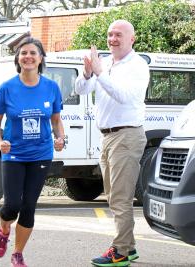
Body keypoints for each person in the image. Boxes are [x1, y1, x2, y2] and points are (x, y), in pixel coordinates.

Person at [75, 20, 149, 267]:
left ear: (132, 39)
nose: (112, 39)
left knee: (120, 197)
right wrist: (87, 73)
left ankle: (121, 251)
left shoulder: (137, 66)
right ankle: (129, 247)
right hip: (108, 137)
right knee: (114, 195)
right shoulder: (105, 63)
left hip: (126, 136)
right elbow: (81, 90)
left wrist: (99, 73)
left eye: (118, 34)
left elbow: (123, 96)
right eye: (110, 34)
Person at [0, 37, 65, 267]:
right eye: (23, 53)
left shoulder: (51, 87)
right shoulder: (6, 88)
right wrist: (0, 141)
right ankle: (3, 230)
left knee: (29, 207)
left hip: (40, 154)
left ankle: (17, 253)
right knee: (12, 205)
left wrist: (60, 137)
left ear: (41, 58)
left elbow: (56, 120)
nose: (28, 56)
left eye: (33, 53)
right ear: (18, 58)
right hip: (13, 155)